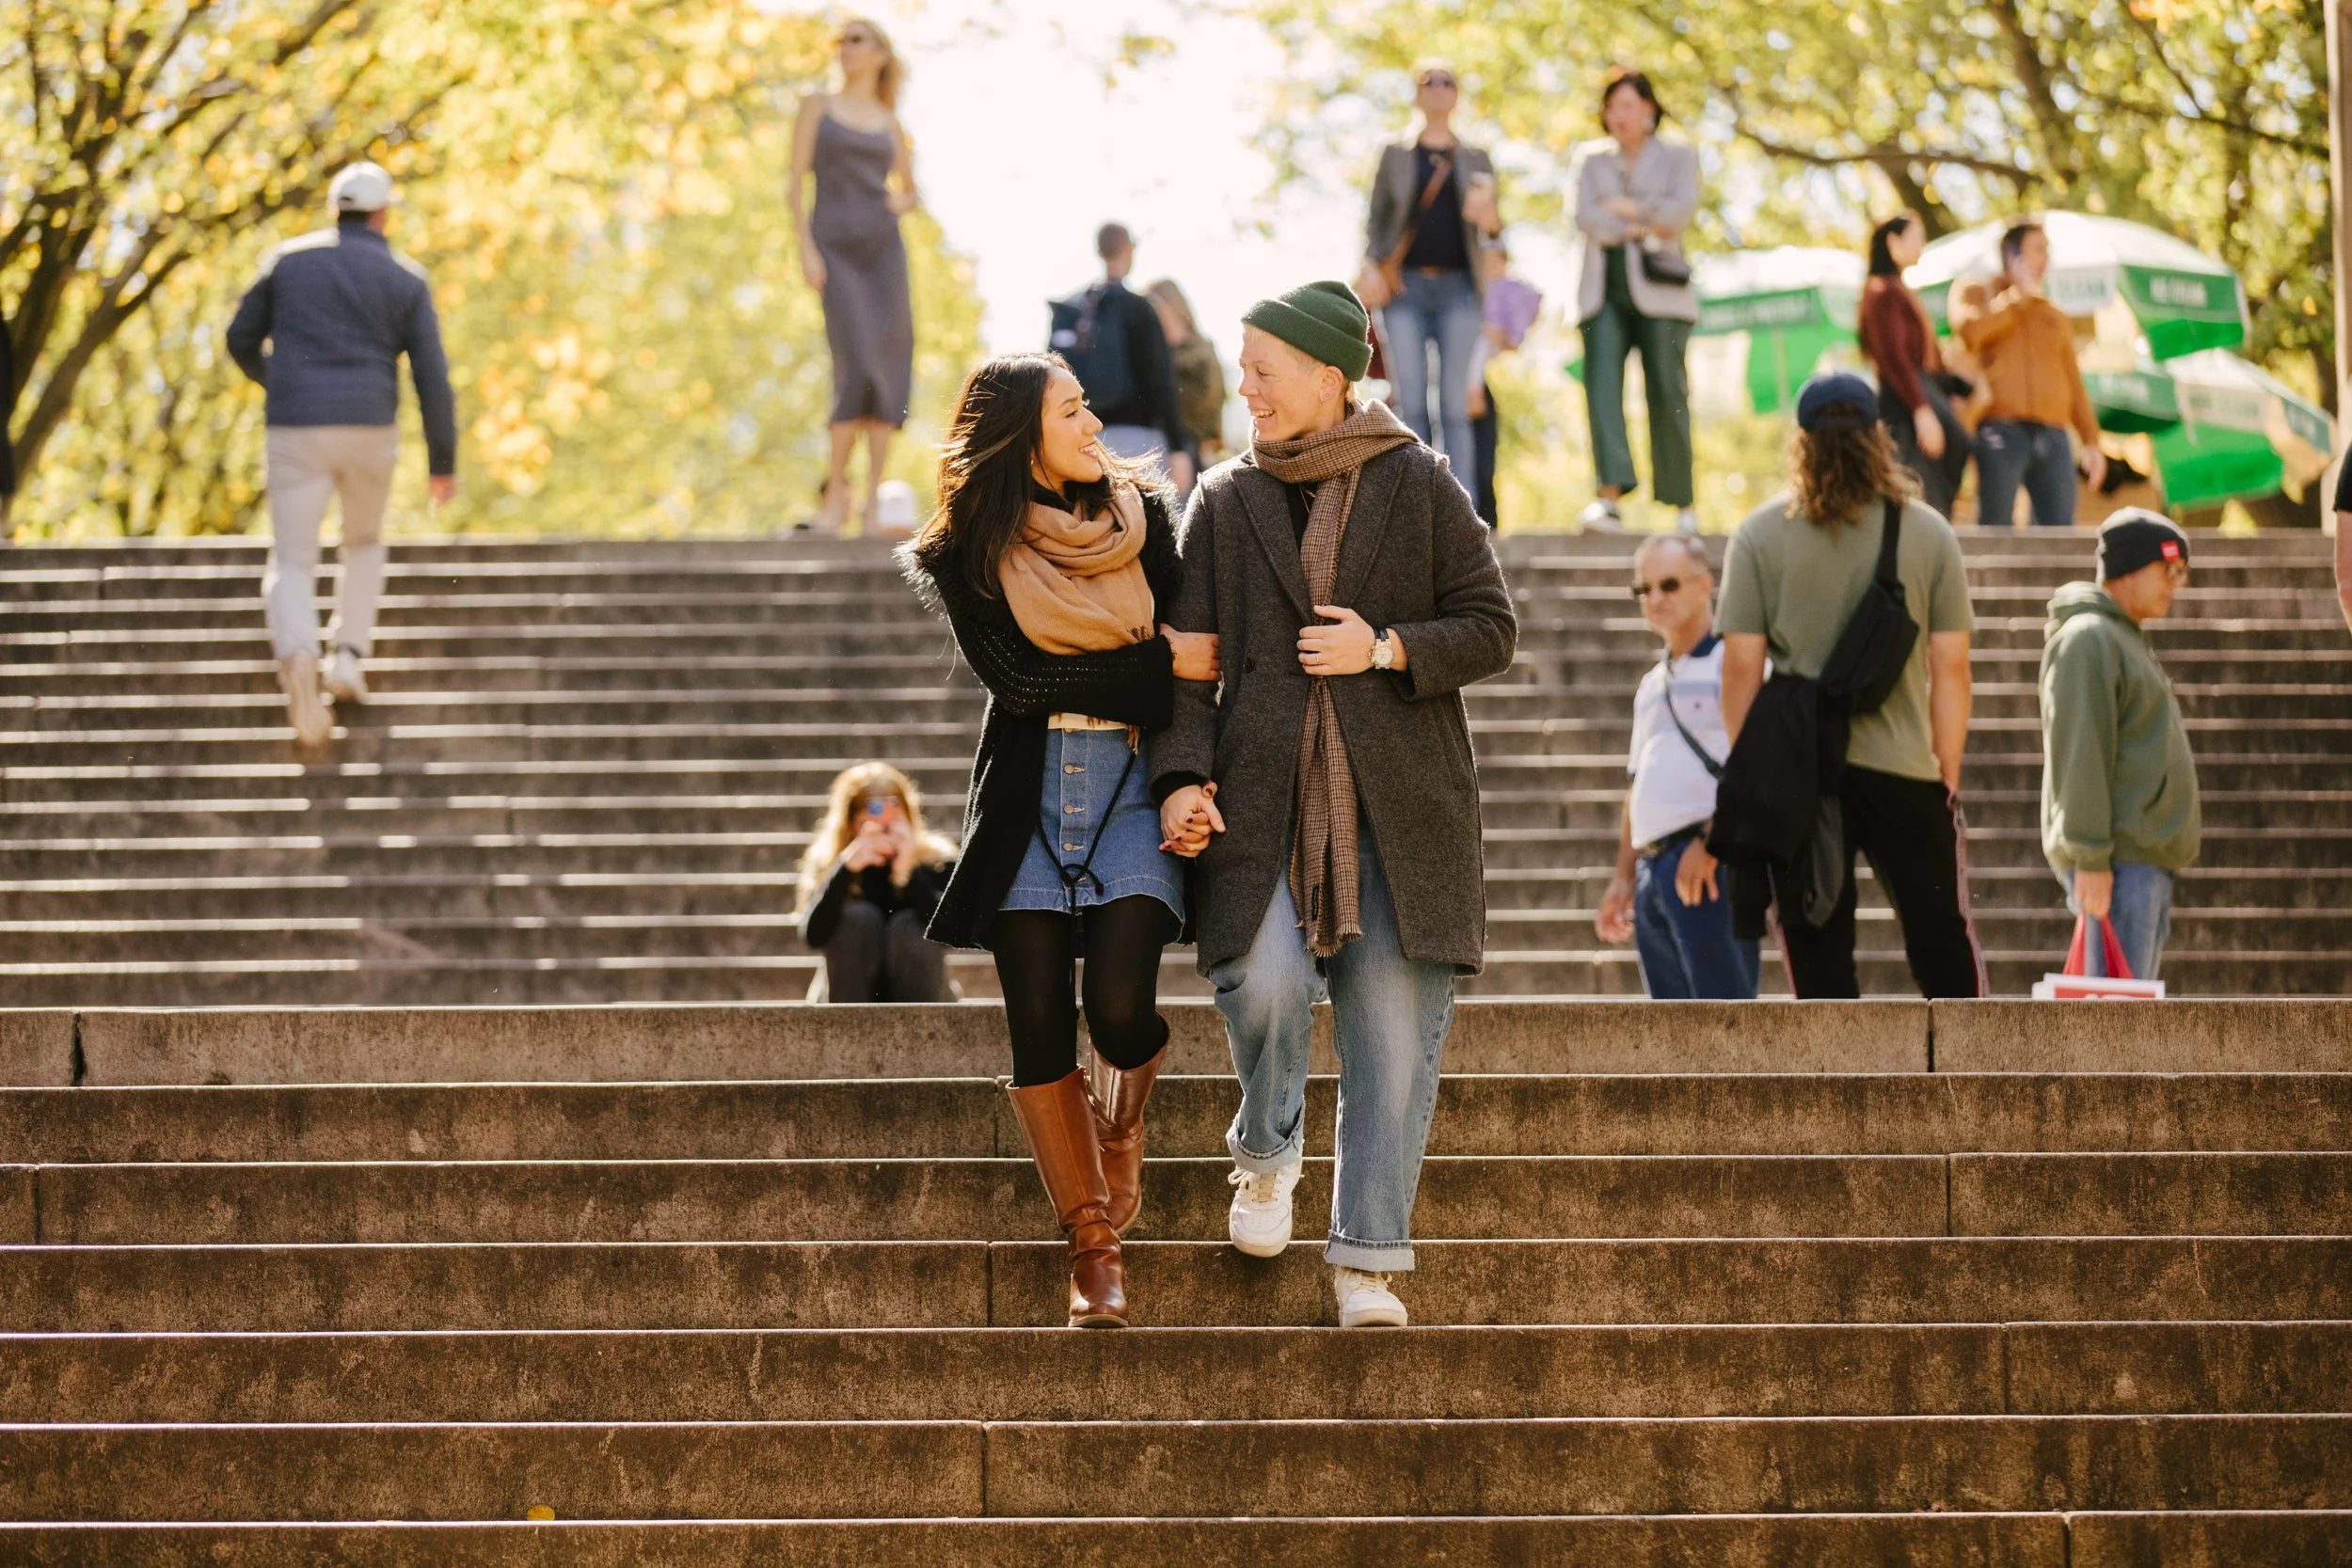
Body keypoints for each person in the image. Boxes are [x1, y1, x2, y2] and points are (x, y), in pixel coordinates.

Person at [1154, 281, 1517, 1329]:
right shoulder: (1222, 498)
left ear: (1328, 374)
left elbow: (1490, 626)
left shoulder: (1423, 480)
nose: (1245, 386)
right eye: (1241, 364)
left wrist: (1387, 646)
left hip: (1401, 805)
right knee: (1262, 981)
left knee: (1391, 1033)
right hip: (1258, 798)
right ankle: (1265, 1153)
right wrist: (1180, 774)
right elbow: (1187, 665)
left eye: (1262, 367)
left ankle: (1367, 1260)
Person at [900, 353, 1220, 1329]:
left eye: (1088, 403)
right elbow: (1024, 690)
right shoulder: (961, 551)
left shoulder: (1143, 516)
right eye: (1072, 410)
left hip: (1132, 782)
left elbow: (1196, 671)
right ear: (1020, 436)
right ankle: (1091, 1243)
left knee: (1120, 1006)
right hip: (1029, 796)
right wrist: (1155, 662)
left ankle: (1121, 1118)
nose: (1093, 423)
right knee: (1038, 1020)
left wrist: (1177, 748)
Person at [1717, 372, 1983, 1000]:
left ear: (1801, 444)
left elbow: (1739, 667)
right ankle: (1973, 1088)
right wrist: (1946, 766)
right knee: (1941, 942)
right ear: (1878, 438)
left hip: (1802, 775)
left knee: (1818, 953)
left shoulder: (1758, 534)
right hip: (1906, 768)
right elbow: (1951, 664)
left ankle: (1832, 1095)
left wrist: (1758, 768)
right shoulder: (1928, 532)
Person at [225, 161, 456, 749]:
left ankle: (298, 652)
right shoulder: (405, 279)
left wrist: (277, 380)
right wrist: (442, 462)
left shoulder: (288, 261)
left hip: (296, 425)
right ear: (382, 215)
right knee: (363, 542)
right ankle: (348, 656)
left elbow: (239, 338)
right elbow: (432, 376)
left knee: (294, 559)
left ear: (335, 209)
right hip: (370, 426)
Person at [1595, 535, 1759, 999]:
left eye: (1668, 584)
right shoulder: (1651, 683)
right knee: (1672, 1034)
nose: (1654, 598)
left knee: (1724, 1022)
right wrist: (1623, 878)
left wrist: (1713, 841)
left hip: (1709, 863)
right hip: (1652, 869)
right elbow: (1636, 784)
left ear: (1705, 584)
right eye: (1642, 589)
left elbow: (1757, 765)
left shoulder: (1736, 662)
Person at [2040, 510, 2201, 981]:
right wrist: (2090, 857)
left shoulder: (2120, 637)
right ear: (2129, 566)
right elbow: (2080, 750)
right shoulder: (2090, 638)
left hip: (2138, 865)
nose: (2176, 583)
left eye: (2181, 573)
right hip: (2117, 867)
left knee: (2128, 1034)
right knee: (2115, 1038)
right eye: (2168, 570)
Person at [790, 16, 919, 536]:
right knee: (855, 364)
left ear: (881, 54)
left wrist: (898, 200)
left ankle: (870, 509)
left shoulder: (889, 121)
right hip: (835, 251)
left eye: (856, 40)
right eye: (841, 41)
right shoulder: (816, 106)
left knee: (886, 370)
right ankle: (834, 502)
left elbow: (912, 191)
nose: (845, 48)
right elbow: (794, 183)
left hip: (884, 253)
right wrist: (806, 249)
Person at [1571, 67, 1699, 534]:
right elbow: (1585, 216)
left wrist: (1630, 211)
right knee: (1602, 388)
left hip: (1662, 292)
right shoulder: (1590, 159)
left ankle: (1682, 502)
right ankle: (1609, 499)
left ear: (1648, 108)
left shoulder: (1678, 154)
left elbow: (1681, 210)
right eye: (1611, 107)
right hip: (1602, 289)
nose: (1618, 115)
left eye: (1627, 105)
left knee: (1669, 391)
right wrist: (1645, 219)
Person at [1358, 62, 1500, 477]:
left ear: (1457, 95)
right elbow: (1376, 219)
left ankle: (1463, 514)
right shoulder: (1396, 154)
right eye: (1428, 82)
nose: (1438, 90)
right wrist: (1370, 266)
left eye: (1447, 83)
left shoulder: (1476, 156)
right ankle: (1414, 507)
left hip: (1461, 289)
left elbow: (1493, 233)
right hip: (1405, 290)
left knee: (1455, 406)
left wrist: (1490, 217)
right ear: (1418, 94)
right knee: (1411, 404)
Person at [1950, 220, 2106, 528]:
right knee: (1995, 528)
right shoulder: (1977, 292)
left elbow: (2073, 382)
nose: (2045, 258)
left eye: (2047, 250)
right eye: (2038, 249)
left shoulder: (2053, 315)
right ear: (2012, 255)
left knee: (2059, 531)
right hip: (2000, 431)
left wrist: (2091, 441)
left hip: (2054, 435)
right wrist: (2013, 300)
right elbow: (1969, 332)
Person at [796, 762, 960, 1003]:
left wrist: (908, 872)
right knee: (858, 918)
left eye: (893, 820)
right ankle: (846, 1029)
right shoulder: (830, 862)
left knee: (909, 926)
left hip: (922, 992)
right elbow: (813, 936)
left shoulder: (934, 859)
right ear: (852, 824)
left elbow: (953, 933)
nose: (884, 832)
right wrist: (846, 870)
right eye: (874, 823)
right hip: (847, 992)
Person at [1050, 226, 1195, 492]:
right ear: (1127, 250)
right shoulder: (1138, 307)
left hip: (1086, 441)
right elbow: (1160, 381)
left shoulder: (1071, 309)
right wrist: (1177, 447)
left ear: (1099, 251)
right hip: (1141, 442)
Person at [1859, 211, 1972, 520]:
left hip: (1921, 391)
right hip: (1905, 401)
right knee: (1917, 477)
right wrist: (1921, 409)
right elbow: (1893, 357)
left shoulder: (1898, 289)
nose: (1922, 244)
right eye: (1915, 237)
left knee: (1949, 455)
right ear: (1893, 241)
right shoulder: (1882, 292)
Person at [1463, 242, 1542, 528]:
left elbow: (1502, 341)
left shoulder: (1499, 298)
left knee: (1483, 465)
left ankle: (1486, 524)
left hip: (1477, 385)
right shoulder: (1469, 298)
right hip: (1467, 385)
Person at [1145, 278, 1228, 472]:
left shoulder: (1201, 350)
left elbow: (1210, 398)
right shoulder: (1154, 354)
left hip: (1196, 448)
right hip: (1162, 445)